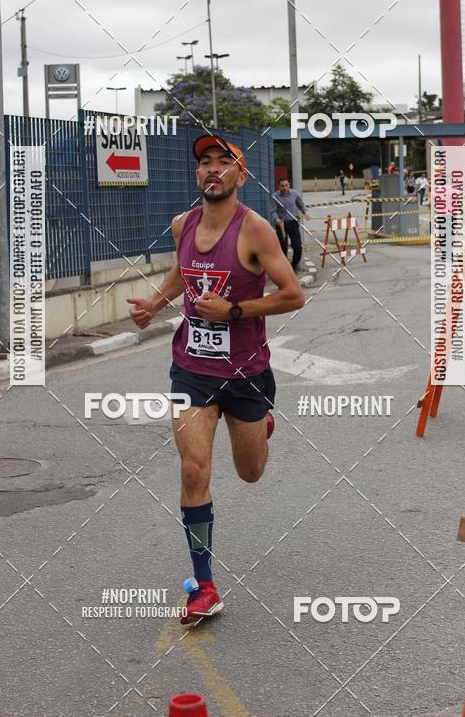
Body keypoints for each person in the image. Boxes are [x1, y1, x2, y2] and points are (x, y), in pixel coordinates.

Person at [127, 136, 305, 624]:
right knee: (192, 470)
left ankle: (261, 425)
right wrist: (153, 306)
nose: (212, 169)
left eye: (223, 162)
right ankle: (204, 585)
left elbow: (293, 295)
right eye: (205, 162)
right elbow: (182, 276)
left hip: (246, 372)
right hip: (192, 370)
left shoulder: (258, 231)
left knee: (251, 473)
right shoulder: (183, 224)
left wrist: (235, 310)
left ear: (240, 176)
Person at [270, 178, 309, 271]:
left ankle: (293, 265)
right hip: (281, 225)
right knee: (283, 249)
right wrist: (277, 219)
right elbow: (273, 211)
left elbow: (301, 205)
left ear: (289, 185)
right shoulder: (274, 196)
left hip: (293, 223)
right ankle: (285, 269)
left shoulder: (294, 194)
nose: (284, 187)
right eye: (282, 186)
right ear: (279, 186)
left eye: (286, 185)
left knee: (298, 247)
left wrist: (306, 212)